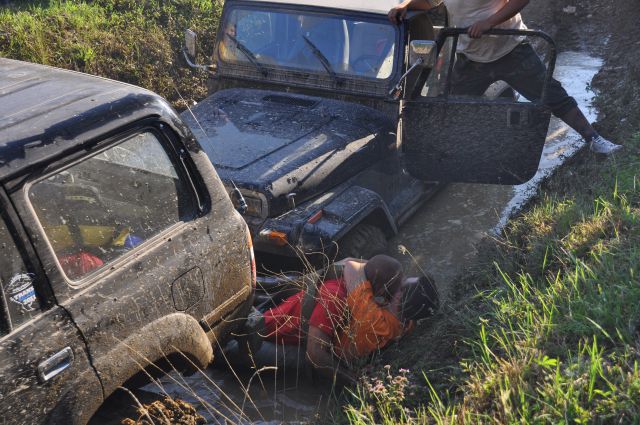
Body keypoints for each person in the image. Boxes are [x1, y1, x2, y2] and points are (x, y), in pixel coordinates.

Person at [388, 0, 622, 154]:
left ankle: (594, 140)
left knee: (553, 95)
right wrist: (405, 5)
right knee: (452, 106)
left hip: (511, 49)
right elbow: (429, 2)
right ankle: (443, 155)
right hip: (471, 57)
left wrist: (489, 22)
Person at [221, 255, 439, 384]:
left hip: (282, 332)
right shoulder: (403, 324)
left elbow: (352, 266)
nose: (397, 285)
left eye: (400, 284)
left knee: (231, 346)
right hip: (278, 328)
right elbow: (316, 355)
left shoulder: (356, 301)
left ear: (397, 296)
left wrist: (352, 381)